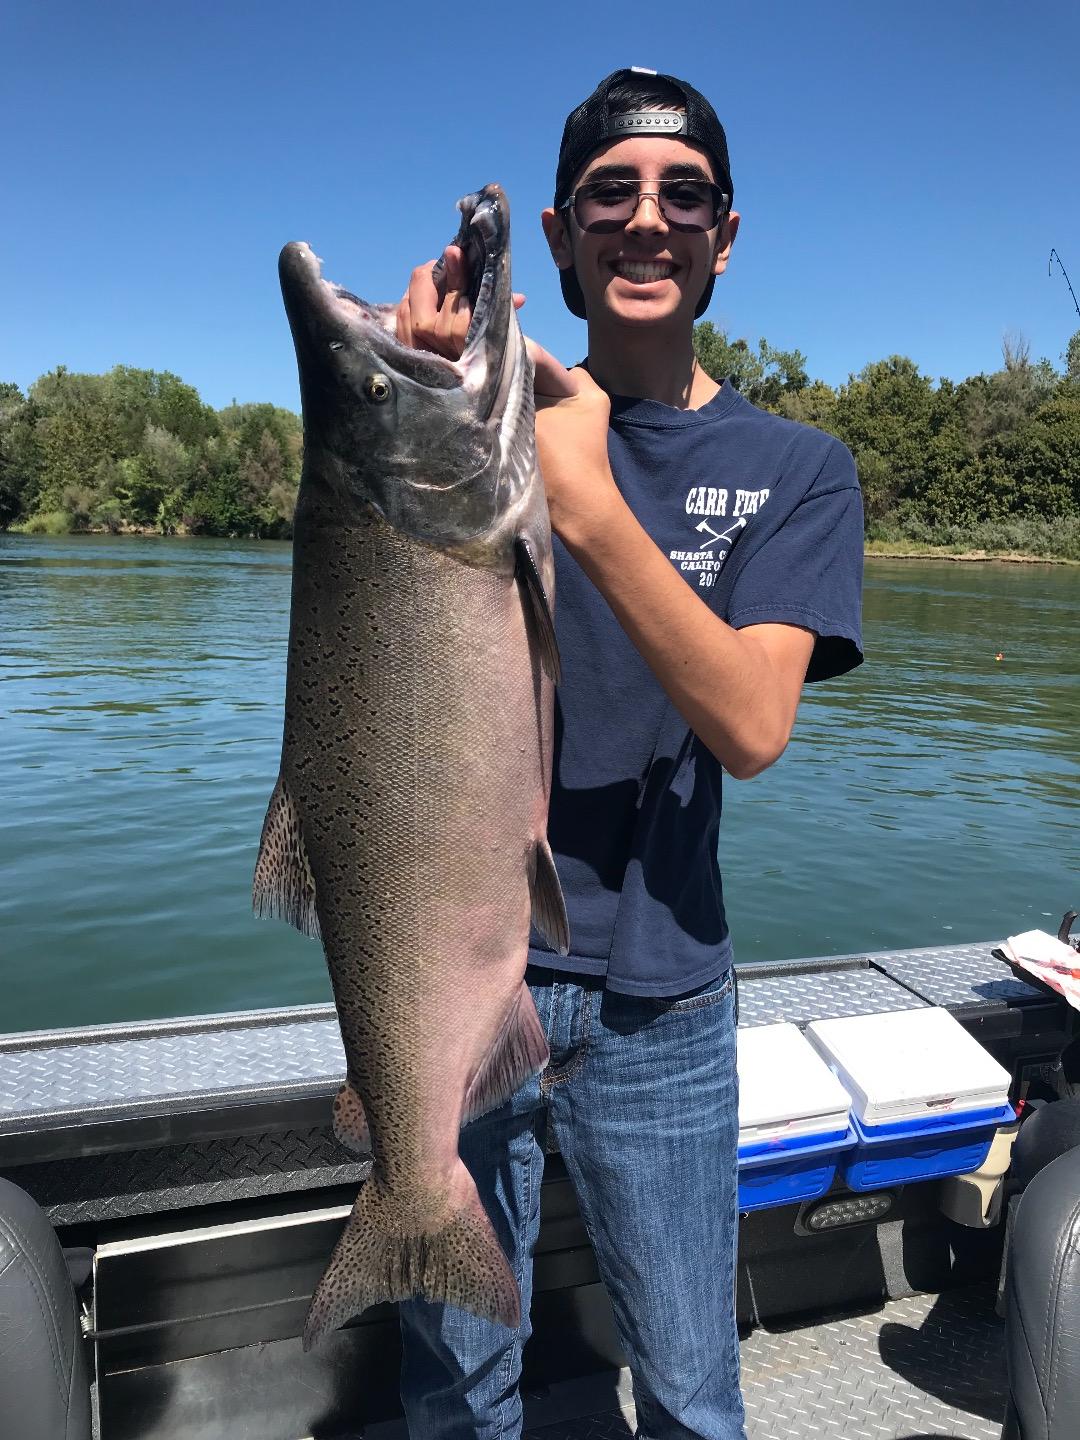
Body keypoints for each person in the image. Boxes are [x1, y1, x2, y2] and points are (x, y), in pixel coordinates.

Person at [393, 66, 864, 1440]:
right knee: (457, 1386)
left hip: (663, 1004)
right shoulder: (482, 441)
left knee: (689, 1387)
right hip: (460, 979)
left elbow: (754, 724)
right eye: (612, 192)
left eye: (683, 195)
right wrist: (430, 388)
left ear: (724, 233)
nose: (646, 221)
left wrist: (590, 505)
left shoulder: (796, 467)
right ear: (557, 236)